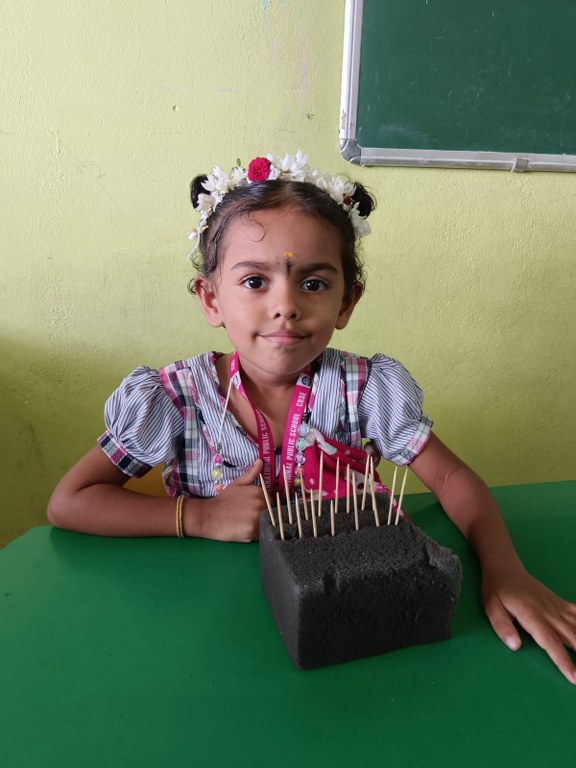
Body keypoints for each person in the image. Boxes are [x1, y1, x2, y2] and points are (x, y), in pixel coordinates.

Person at [48, 151, 576, 684]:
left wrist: (506, 571)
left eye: (314, 284)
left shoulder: (366, 390)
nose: (286, 306)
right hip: (215, 630)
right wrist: (200, 518)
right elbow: (71, 502)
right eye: (255, 281)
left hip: (355, 621)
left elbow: (450, 477)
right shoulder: (175, 399)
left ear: (347, 302)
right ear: (211, 299)